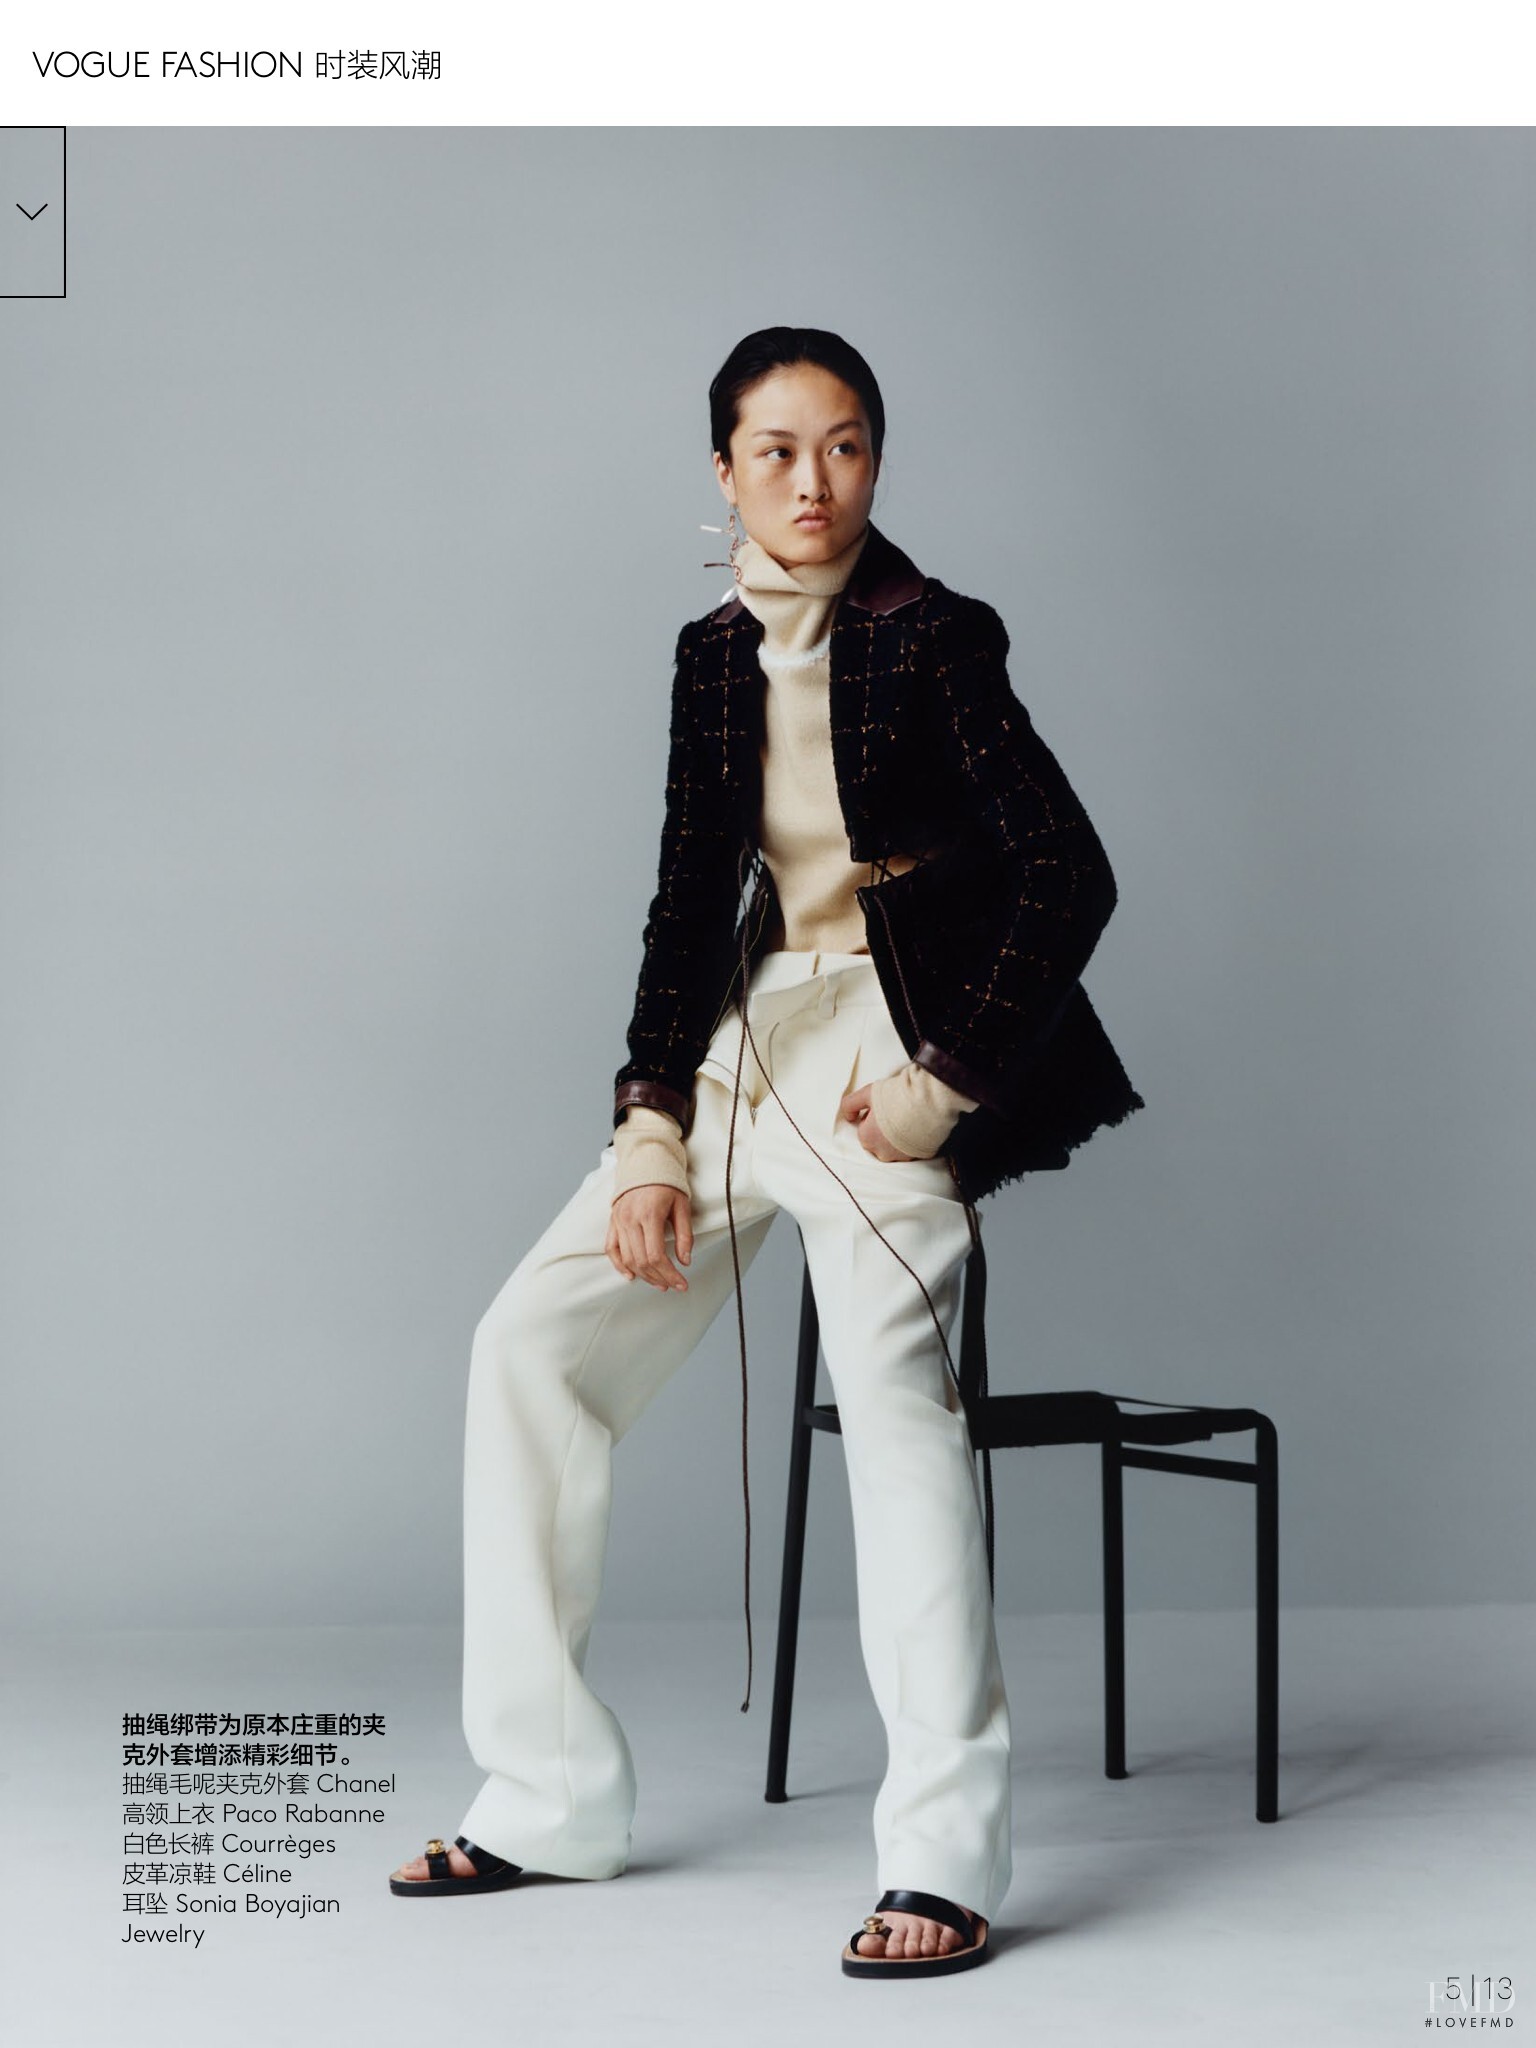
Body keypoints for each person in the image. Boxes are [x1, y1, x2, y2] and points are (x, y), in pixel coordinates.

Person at [387, 327, 1143, 1979]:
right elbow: (687, 897)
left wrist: (946, 1083)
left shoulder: (937, 636)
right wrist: (650, 1123)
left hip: (893, 1047)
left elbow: (1067, 872)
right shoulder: (711, 655)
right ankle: (548, 1798)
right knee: (528, 1347)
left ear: (877, 461)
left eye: (847, 445)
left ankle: (942, 1855)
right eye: (779, 450)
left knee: (897, 1406)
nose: (816, 482)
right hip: (747, 1043)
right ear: (723, 471)